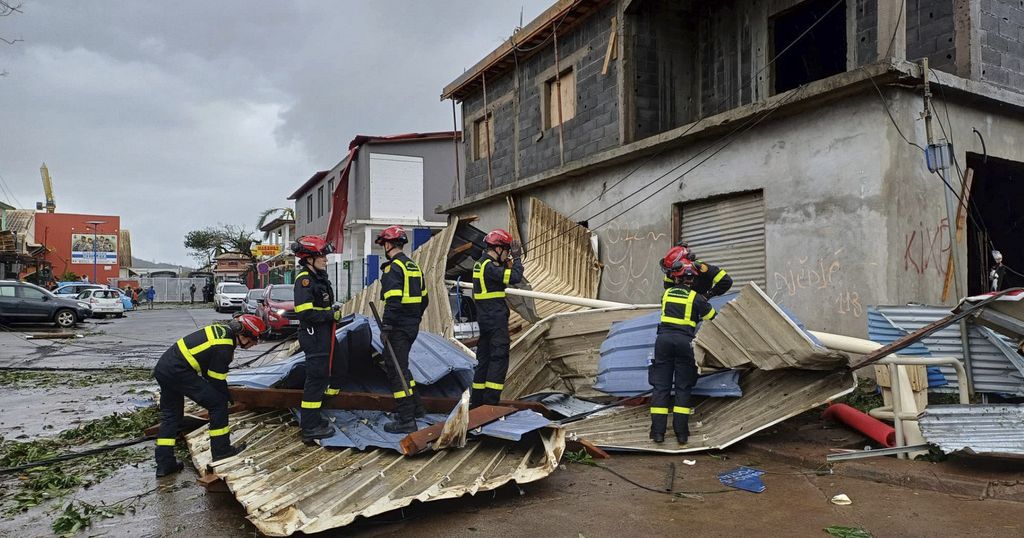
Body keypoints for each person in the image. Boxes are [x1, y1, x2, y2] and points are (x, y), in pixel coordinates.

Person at [152, 314, 267, 477]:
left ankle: (164, 465)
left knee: (171, 417)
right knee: (218, 406)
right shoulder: (225, 345)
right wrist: (226, 397)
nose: (255, 344)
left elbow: (207, 370)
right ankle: (222, 451)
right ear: (244, 334)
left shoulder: (221, 332)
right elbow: (216, 379)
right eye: (255, 339)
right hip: (179, 372)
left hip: (164, 369)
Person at [650, 253, 716, 445]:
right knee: (683, 387)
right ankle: (681, 435)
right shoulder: (696, 298)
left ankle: (658, 434)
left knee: (661, 387)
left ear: (676, 277)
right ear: (693, 279)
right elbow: (712, 317)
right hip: (684, 343)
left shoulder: (666, 295)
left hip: (663, 342)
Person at [290, 235, 343, 442]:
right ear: (310, 258)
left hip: (324, 333)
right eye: (322, 256)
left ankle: (315, 417)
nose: (326, 260)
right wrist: (331, 315)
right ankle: (309, 427)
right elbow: (304, 312)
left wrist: (331, 311)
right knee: (316, 378)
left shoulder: (318, 277)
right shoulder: (305, 280)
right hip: (314, 335)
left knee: (333, 370)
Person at [376, 225, 428, 433]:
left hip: (397, 327)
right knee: (402, 367)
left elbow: (393, 301)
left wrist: (387, 326)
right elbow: (425, 299)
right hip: (411, 325)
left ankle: (406, 419)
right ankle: (416, 408)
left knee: (396, 370)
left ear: (388, 244)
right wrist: (414, 318)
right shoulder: (413, 266)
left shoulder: (393, 268)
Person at [470, 229, 524, 408]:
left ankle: (476, 403)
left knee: (484, 360)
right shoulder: (490, 266)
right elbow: (515, 277)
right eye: (507, 250)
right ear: (499, 248)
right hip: (495, 320)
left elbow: (496, 281)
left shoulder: (481, 264)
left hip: (484, 319)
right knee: (498, 359)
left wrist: (506, 264)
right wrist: (517, 259)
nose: (508, 253)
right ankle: (491, 405)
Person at [661, 242, 733, 299]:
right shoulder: (671, 271)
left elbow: (726, 281)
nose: (671, 274)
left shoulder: (702, 268)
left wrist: (708, 295)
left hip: (700, 305)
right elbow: (668, 286)